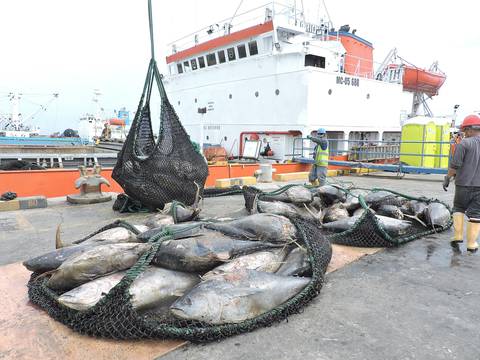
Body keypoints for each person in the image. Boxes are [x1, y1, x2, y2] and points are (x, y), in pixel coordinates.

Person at [443, 114, 480, 252]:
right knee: (476, 214)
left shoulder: (464, 143)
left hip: (463, 185)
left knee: (458, 208)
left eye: (465, 130)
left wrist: (447, 178)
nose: (464, 133)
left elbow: (455, 165)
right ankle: (471, 244)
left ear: (470, 129)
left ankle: (458, 235)